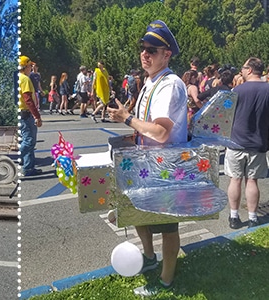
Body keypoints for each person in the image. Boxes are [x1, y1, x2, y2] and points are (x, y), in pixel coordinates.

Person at [107, 20, 187, 296]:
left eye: (152, 49)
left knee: (166, 225)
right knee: (137, 212)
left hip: (164, 167)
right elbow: (145, 125)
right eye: (143, 49)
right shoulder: (150, 82)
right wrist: (130, 126)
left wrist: (126, 118)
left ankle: (166, 279)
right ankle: (151, 259)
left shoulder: (169, 84)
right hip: (147, 163)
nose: (145, 54)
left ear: (167, 54)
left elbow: (162, 133)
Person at [225, 57, 269, 229]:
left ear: (249, 70)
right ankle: (252, 218)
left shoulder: (237, 90)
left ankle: (234, 217)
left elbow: (226, 114)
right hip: (258, 142)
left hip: (236, 141)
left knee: (235, 180)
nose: (241, 71)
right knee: (252, 181)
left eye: (243, 68)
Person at [18, 56, 43, 177]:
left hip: (22, 113)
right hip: (26, 114)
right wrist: (37, 116)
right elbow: (28, 99)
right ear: (25, 67)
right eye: (30, 66)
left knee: (30, 141)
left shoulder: (19, 78)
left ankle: (29, 166)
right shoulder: (25, 79)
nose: (31, 68)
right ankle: (23, 163)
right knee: (28, 141)